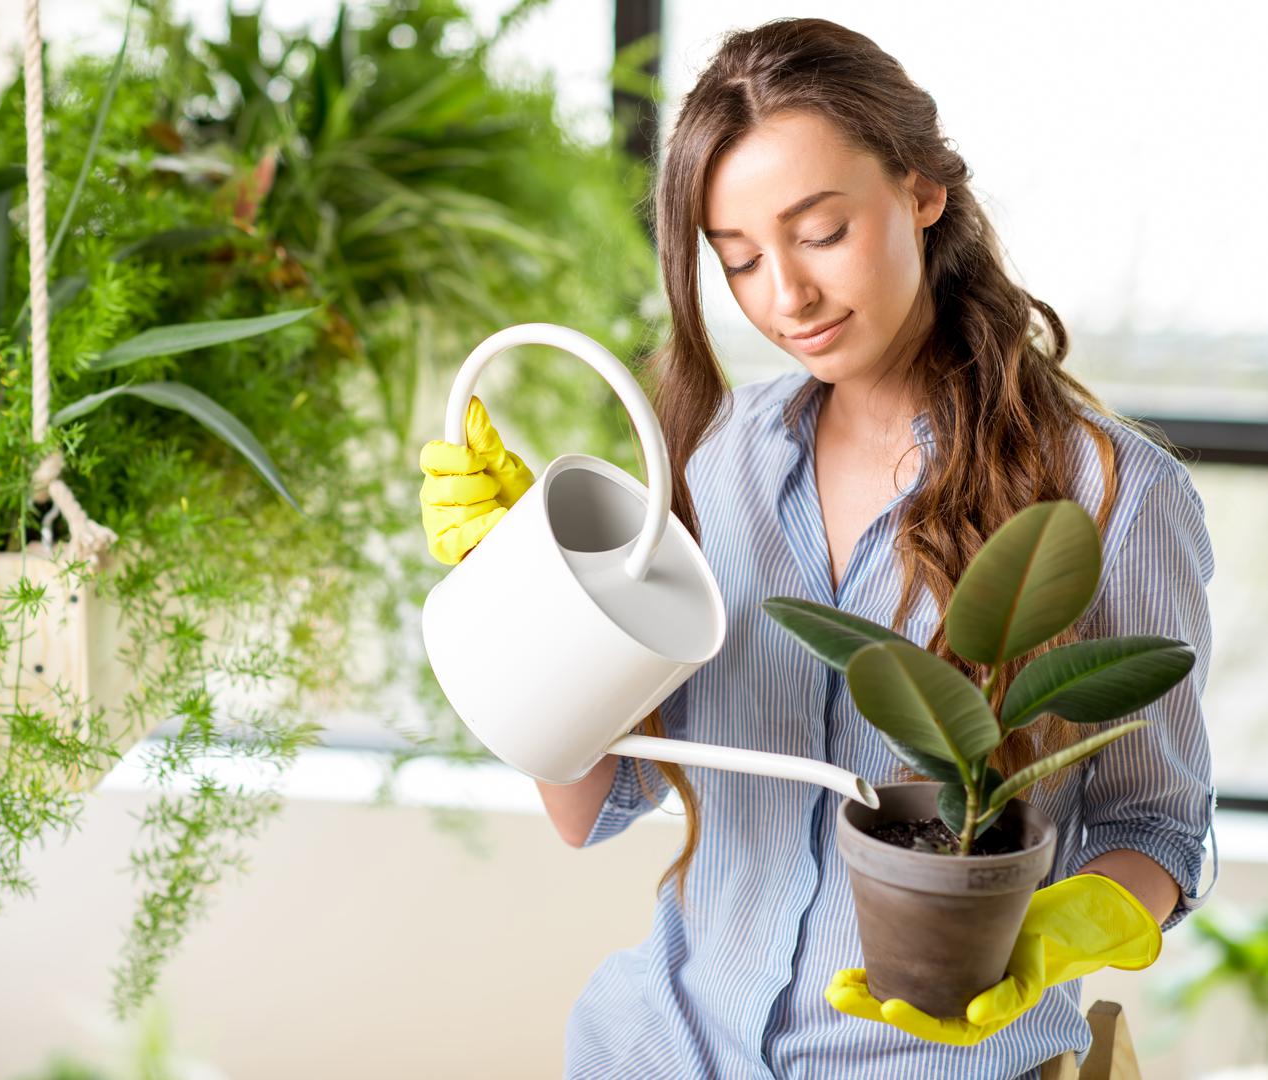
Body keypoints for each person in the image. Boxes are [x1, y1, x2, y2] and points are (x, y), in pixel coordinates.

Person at [417, 16, 1215, 1080]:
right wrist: (521, 591)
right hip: (660, 1044)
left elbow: (1158, 827)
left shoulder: (1109, 495)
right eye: (738, 259)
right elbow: (593, 804)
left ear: (922, 191)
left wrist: (1051, 934)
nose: (783, 297)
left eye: (821, 232)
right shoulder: (716, 461)